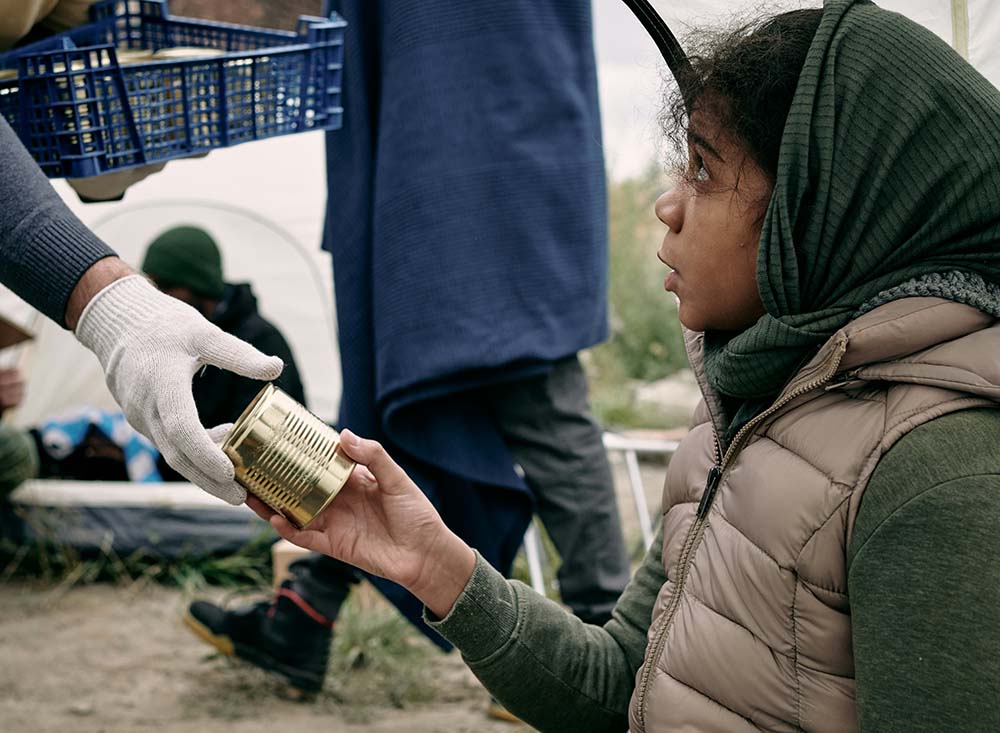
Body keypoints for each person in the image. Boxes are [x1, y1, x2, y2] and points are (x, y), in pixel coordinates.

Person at [249, 1, 1000, 730]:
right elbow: (622, 684)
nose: (667, 206)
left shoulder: (938, 470)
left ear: (821, 203)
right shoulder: (741, 410)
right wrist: (433, 562)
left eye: (704, 171)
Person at [183, 0, 631, 707]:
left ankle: (607, 645)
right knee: (388, 400)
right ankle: (304, 611)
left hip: (492, 146)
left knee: (536, 390)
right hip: (411, 151)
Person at [140, 224, 306, 430]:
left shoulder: (261, 341)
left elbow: (256, 441)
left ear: (198, 284)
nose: (159, 298)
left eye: (165, 286)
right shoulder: (179, 335)